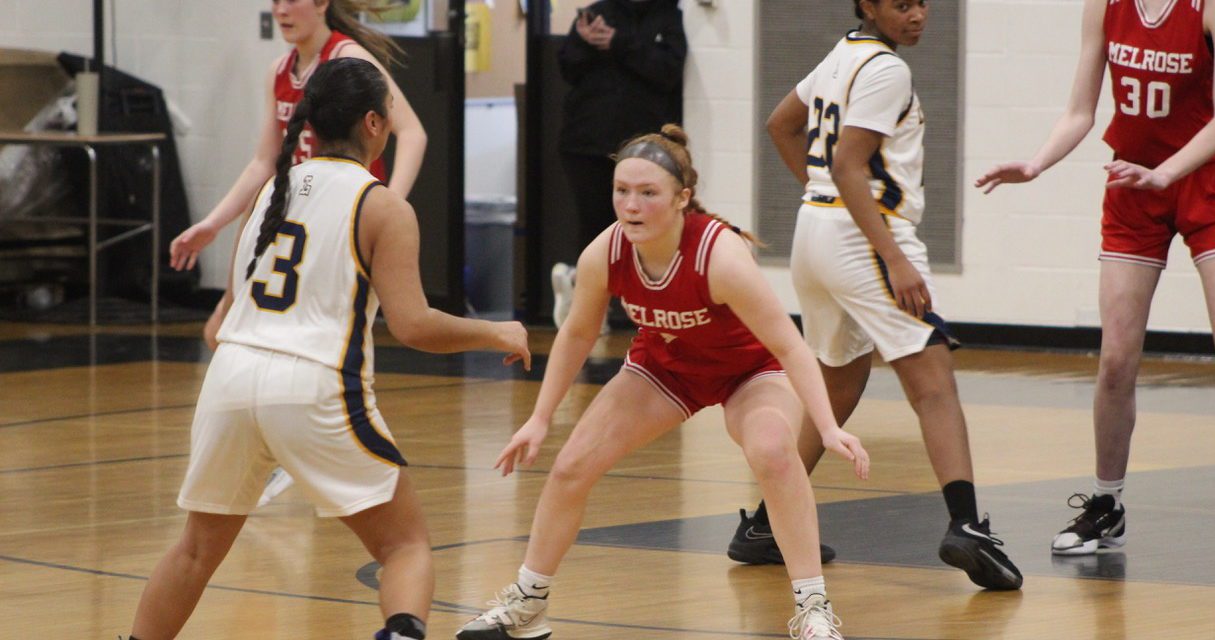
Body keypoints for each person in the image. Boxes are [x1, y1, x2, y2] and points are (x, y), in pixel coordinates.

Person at [126, 58, 529, 640]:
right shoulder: (382, 204)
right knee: (405, 545)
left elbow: (228, 314)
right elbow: (413, 326)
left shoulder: (269, 191)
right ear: (373, 122)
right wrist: (495, 331)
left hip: (230, 378)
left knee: (194, 552)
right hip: (313, 385)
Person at [456, 125, 871, 640]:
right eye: (621, 191)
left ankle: (812, 608)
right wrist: (539, 418)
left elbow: (789, 345)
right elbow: (578, 333)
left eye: (648, 193)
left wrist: (827, 427)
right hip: (665, 369)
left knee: (773, 452)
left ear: (682, 199)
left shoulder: (719, 257)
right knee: (570, 467)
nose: (631, 205)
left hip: (749, 372)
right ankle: (529, 602)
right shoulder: (604, 253)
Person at [734, 0, 1024, 590]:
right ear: (868, 5)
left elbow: (779, 125)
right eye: (901, 4)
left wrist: (821, 196)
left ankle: (767, 523)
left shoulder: (842, 54)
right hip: (863, 238)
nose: (917, 14)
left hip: (814, 232)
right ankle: (967, 526)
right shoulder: (889, 71)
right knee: (934, 384)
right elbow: (847, 163)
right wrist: (892, 256)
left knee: (837, 380)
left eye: (923, 3)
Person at [976, 0, 1215, 555]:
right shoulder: (1106, 5)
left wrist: (1165, 173)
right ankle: (1106, 505)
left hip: (1206, 184)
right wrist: (1036, 163)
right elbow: (1079, 111)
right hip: (1131, 184)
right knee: (1116, 360)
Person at [173, 0, 429, 507]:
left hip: (347, 220)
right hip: (297, 217)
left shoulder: (349, 57)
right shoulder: (280, 69)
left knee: (333, 342)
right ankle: (287, 443)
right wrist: (212, 223)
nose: (282, 9)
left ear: (322, 4)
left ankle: (307, 442)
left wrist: (391, 207)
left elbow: (413, 132)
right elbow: (263, 162)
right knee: (228, 331)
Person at [550, 0, 687, 329]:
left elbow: (667, 71)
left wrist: (619, 43)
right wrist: (584, 43)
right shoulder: (597, 13)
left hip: (643, 150)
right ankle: (589, 308)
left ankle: (641, 305)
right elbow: (568, 68)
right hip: (586, 141)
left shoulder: (668, 15)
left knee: (644, 226)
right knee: (595, 226)